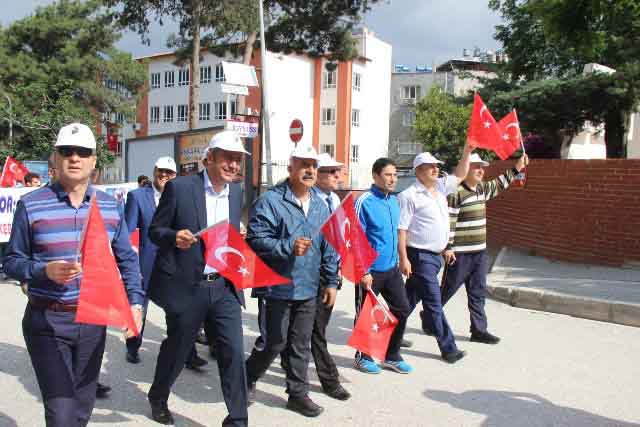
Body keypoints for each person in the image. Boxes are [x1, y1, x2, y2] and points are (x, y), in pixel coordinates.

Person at [3, 123, 143, 427]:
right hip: (47, 320)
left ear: (94, 161)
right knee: (62, 413)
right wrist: (43, 271)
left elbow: (127, 260)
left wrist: (135, 303)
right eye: (67, 151)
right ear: (55, 158)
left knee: (81, 408)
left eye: (83, 152)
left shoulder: (109, 206)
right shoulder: (31, 205)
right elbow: (12, 261)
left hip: (93, 321)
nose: (75, 158)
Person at [146, 130, 249, 426]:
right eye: (227, 158)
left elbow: (228, 236)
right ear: (210, 158)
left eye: (237, 159)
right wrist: (173, 236)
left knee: (232, 351)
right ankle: (158, 395)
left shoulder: (237, 192)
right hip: (188, 287)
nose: (232, 165)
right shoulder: (180, 188)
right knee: (177, 348)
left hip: (223, 286)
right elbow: (156, 231)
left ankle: (238, 419)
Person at [245, 145, 339, 418]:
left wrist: (331, 281)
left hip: (308, 288)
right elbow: (255, 239)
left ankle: (297, 395)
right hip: (277, 287)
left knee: (300, 344)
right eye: (303, 165)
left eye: (313, 166)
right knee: (275, 342)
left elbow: (328, 246)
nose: (309, 171)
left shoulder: (320, 205)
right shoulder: (270, 201)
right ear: (290, 168)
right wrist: (287, 246)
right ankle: (246, 376)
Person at [124, 157, 210, 368]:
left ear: (175, 176)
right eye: (161, 171)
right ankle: (133, 345)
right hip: (147, 262)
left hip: (175, 263)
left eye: (169, 173)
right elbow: (128, 233)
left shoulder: (185, 195)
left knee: (181, 310)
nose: (164, 175)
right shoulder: (137, 196)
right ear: (154, 171)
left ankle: (188, 354)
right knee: (139, 304)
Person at [438, 152, 529, 344]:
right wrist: (448, 247)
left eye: (482, 167)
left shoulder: (481, 189)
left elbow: (499, 183)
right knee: (447, 290)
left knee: (478, 291)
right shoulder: (456, 193)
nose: (481, 170)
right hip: (459, 254)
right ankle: (430, 318)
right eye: (476, 166)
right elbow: (450, 221)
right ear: (466, 169)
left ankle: (479, 330)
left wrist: (517, 167)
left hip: (479, 252)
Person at [397, 146, 473, 364]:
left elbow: (460, 174)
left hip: (435, 257)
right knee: (433, 302)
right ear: (418, 170)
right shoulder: (409, 196)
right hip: (419, 257)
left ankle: (389, 335)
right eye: (430, 167)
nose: (435, 169)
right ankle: (449, 348)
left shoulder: (439, 189)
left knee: (406, 301)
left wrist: (466, 150)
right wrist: (404, 258)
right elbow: (402, 229)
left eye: (436, 166)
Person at [353, 158, 412, 375]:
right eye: (388, 174)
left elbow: (397, 233)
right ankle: (363, 356)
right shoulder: (364, 201)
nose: (393, 179)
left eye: (395, 174)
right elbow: (356, 238)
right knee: (365, 315)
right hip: (370, 271)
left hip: (391, 269)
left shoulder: (393, 202)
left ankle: (391, 355)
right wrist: (363, 270)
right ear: (375, 176)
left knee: (402, 309)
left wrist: (402, 259)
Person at [308, 153, 350, 400]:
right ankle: (330, 380)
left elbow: (341, 238)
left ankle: (284, 357)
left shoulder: (335, 199)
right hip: (313, 275)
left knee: (315, 327)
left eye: (338, 171)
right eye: (331, 172)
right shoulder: (309, 200)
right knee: (315, 331)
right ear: (317, 174)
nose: (337, 176)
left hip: (331, 274)